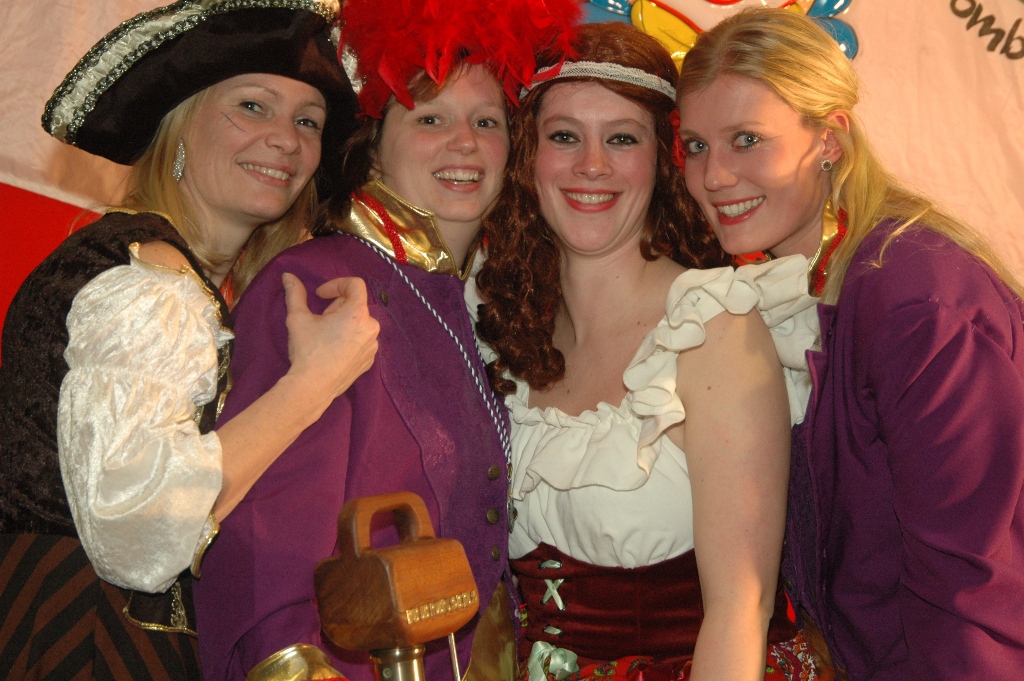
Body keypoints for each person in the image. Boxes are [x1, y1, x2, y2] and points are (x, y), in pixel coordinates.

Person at [191, 1, 579, 679]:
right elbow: (262, 536)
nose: (465, 144)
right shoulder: (319, 283)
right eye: (431, 119)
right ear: (372, 144)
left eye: (486, 122)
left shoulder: (478, 298)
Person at [0, 1, 380, 678]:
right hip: (81, 642)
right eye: (253, 107)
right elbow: (135, 532)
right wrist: (313, 382)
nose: (286, 140)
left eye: (308, 122)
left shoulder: (180, 279)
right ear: (179, 127)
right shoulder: (149, 286)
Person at [676, 8, 1024, 680]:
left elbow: (969, 597)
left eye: (747, 140)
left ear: (829, 140)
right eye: (696, 145)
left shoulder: (915, 301)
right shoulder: (804, 285)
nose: (713, 176)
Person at [474, 22, 821, 681]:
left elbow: (739, 609)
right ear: (528, 156)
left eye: (622, 138)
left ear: (662, 160)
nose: (592, 165)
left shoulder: (713, 326)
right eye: (565, 136)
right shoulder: (505, 326)